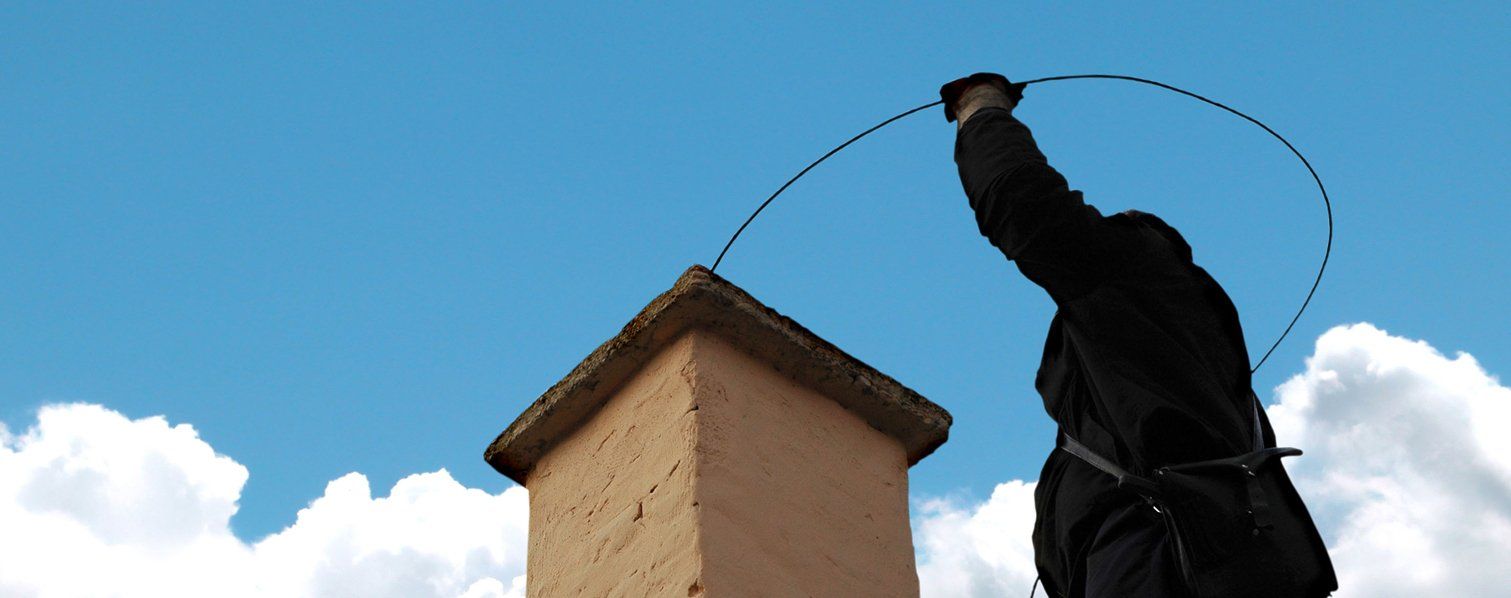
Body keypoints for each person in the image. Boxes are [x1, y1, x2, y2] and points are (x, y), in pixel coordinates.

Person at [942, 73, 1287, 597]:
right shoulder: (1174, 355)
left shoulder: (1133, 276)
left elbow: (1024, 205)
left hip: (1153, 554)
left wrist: (982, 106)